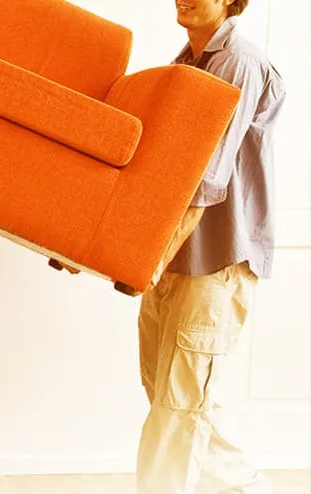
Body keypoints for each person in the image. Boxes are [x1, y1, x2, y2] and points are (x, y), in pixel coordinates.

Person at [136, 0, 285, 492]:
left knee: (178, 407)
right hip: (177, 252)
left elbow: (208, 175)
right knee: (174, 397)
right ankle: (251, 487)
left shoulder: (239, 61)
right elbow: (155, 170)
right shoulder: (184, 66)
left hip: (216, 257)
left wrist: (150, 254)